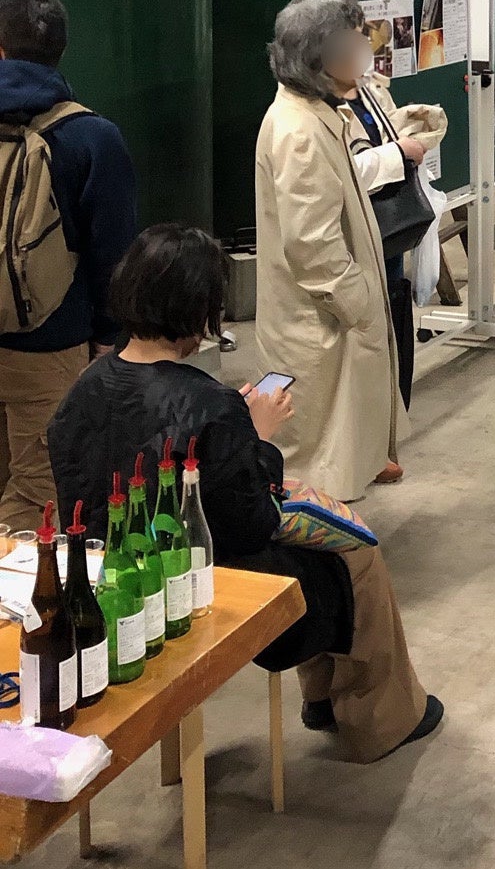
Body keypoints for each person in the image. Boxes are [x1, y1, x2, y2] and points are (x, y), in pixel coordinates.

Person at [47, 223, 443, 760]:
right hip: (194, 582)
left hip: (108, 578)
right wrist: (256, 436)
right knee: (355, 550)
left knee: (323, 527)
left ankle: (322, 697)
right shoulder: (212, 405)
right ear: (199, 311)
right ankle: (380, 720)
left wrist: (238, 430)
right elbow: (249, 525)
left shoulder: (85, 388)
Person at [255, 0, 407, 501]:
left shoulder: (319, 111)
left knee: (343, 435)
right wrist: (359, 301)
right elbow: (313, 246)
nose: (366, 51)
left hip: (330, 312)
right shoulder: (299, 131)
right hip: (318, 316)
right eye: (355, 41)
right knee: (315, 459)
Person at [0, 0, 137, 531]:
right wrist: (107, 336)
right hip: (49, 342)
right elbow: (114, 253)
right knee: (38, 492)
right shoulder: (91, 137)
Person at [345, 0, 447, 420]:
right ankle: (375, 419)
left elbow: (382, 136)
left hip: (391, 223)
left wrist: (408, 126)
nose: (363, 47)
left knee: (394, 311)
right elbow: (344, 170)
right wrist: (398, 153)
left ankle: (393, 412)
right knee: (367, 327)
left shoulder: (367, 86)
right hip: (355, 234)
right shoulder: (312, 109)